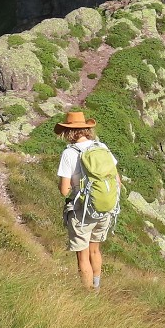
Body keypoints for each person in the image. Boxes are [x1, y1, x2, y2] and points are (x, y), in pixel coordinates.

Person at [55, 110, 120, 290]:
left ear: (68, 132)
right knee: (95, 250)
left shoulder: (69, 154)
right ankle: (97, 288)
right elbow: (117, 181)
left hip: (82, 212)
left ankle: (88, 296)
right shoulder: (102, 147)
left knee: (83, 257)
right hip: (104, 208)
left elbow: (64, 190)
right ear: (86, 130)